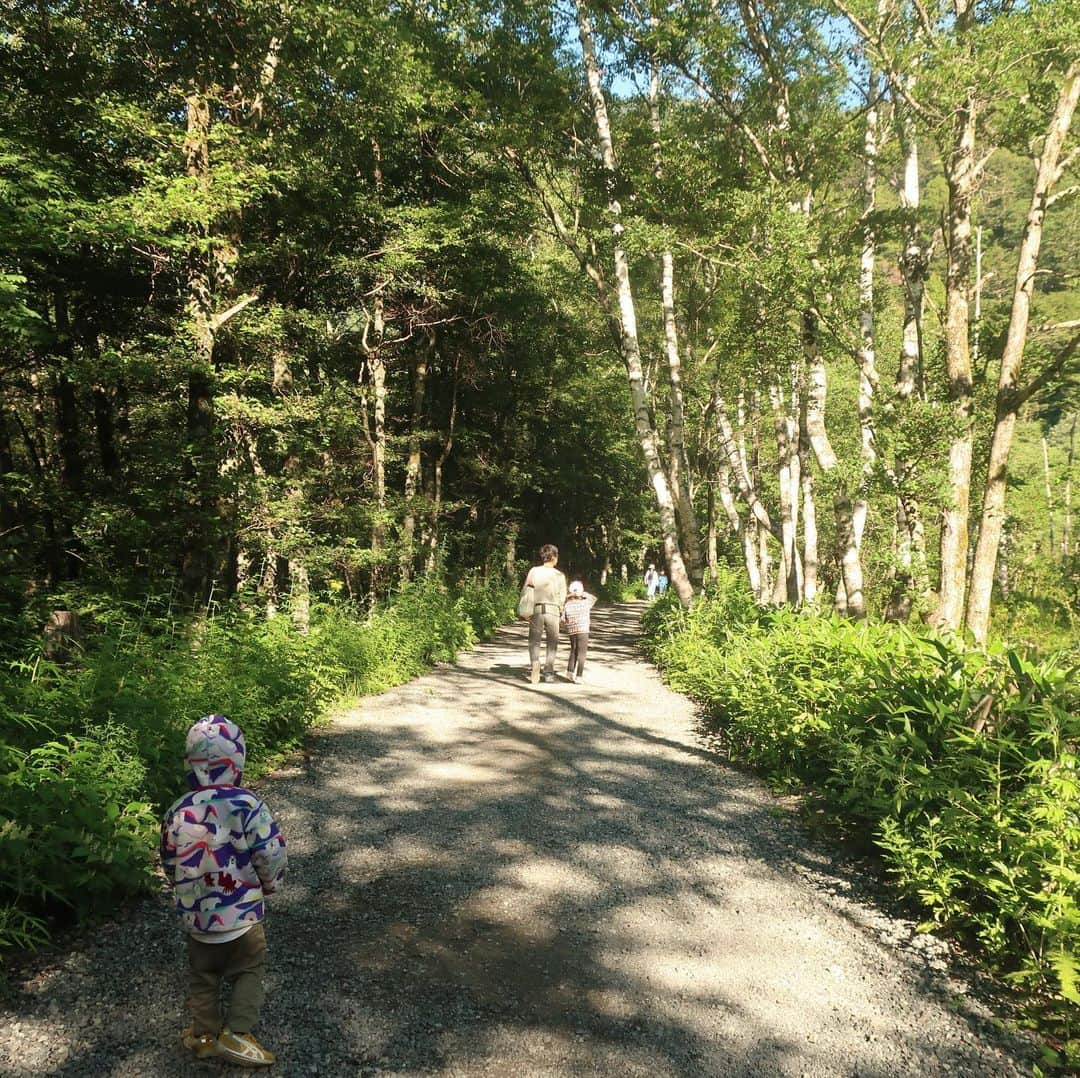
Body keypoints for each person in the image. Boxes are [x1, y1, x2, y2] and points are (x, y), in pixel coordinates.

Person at [161, 715, 288, 1068]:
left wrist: (182, 890)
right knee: (249, 971)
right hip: (243, 918)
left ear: (190, 765)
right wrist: (271, 884)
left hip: (198, 921)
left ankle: (203, 1037)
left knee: (203, 978)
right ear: (238, 761)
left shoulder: (178, 809)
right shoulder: (248, 805)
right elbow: (270, 851)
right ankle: (238, 1033)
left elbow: (169, 859)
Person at [524, 543, 567, 683]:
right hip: (553, 611)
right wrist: (561, 611)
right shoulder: (559, 575)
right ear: (554, 557)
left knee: (534, 641)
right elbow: (562, 597)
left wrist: (525, 610)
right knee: (552, 642)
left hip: (536, 610)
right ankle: (548, 672)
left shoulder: (534, 571)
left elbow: (526, 590)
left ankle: (535, 663)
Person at [562, 580, 597, 683]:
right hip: (583, 629)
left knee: (574, 650)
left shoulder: (567, 604)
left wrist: (570, 595)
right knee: (582, 653)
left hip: (572, 630)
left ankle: (569, 672)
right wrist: (582, 593)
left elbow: (563, 619)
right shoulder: (586, 602)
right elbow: (593, 598)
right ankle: (579, 676)